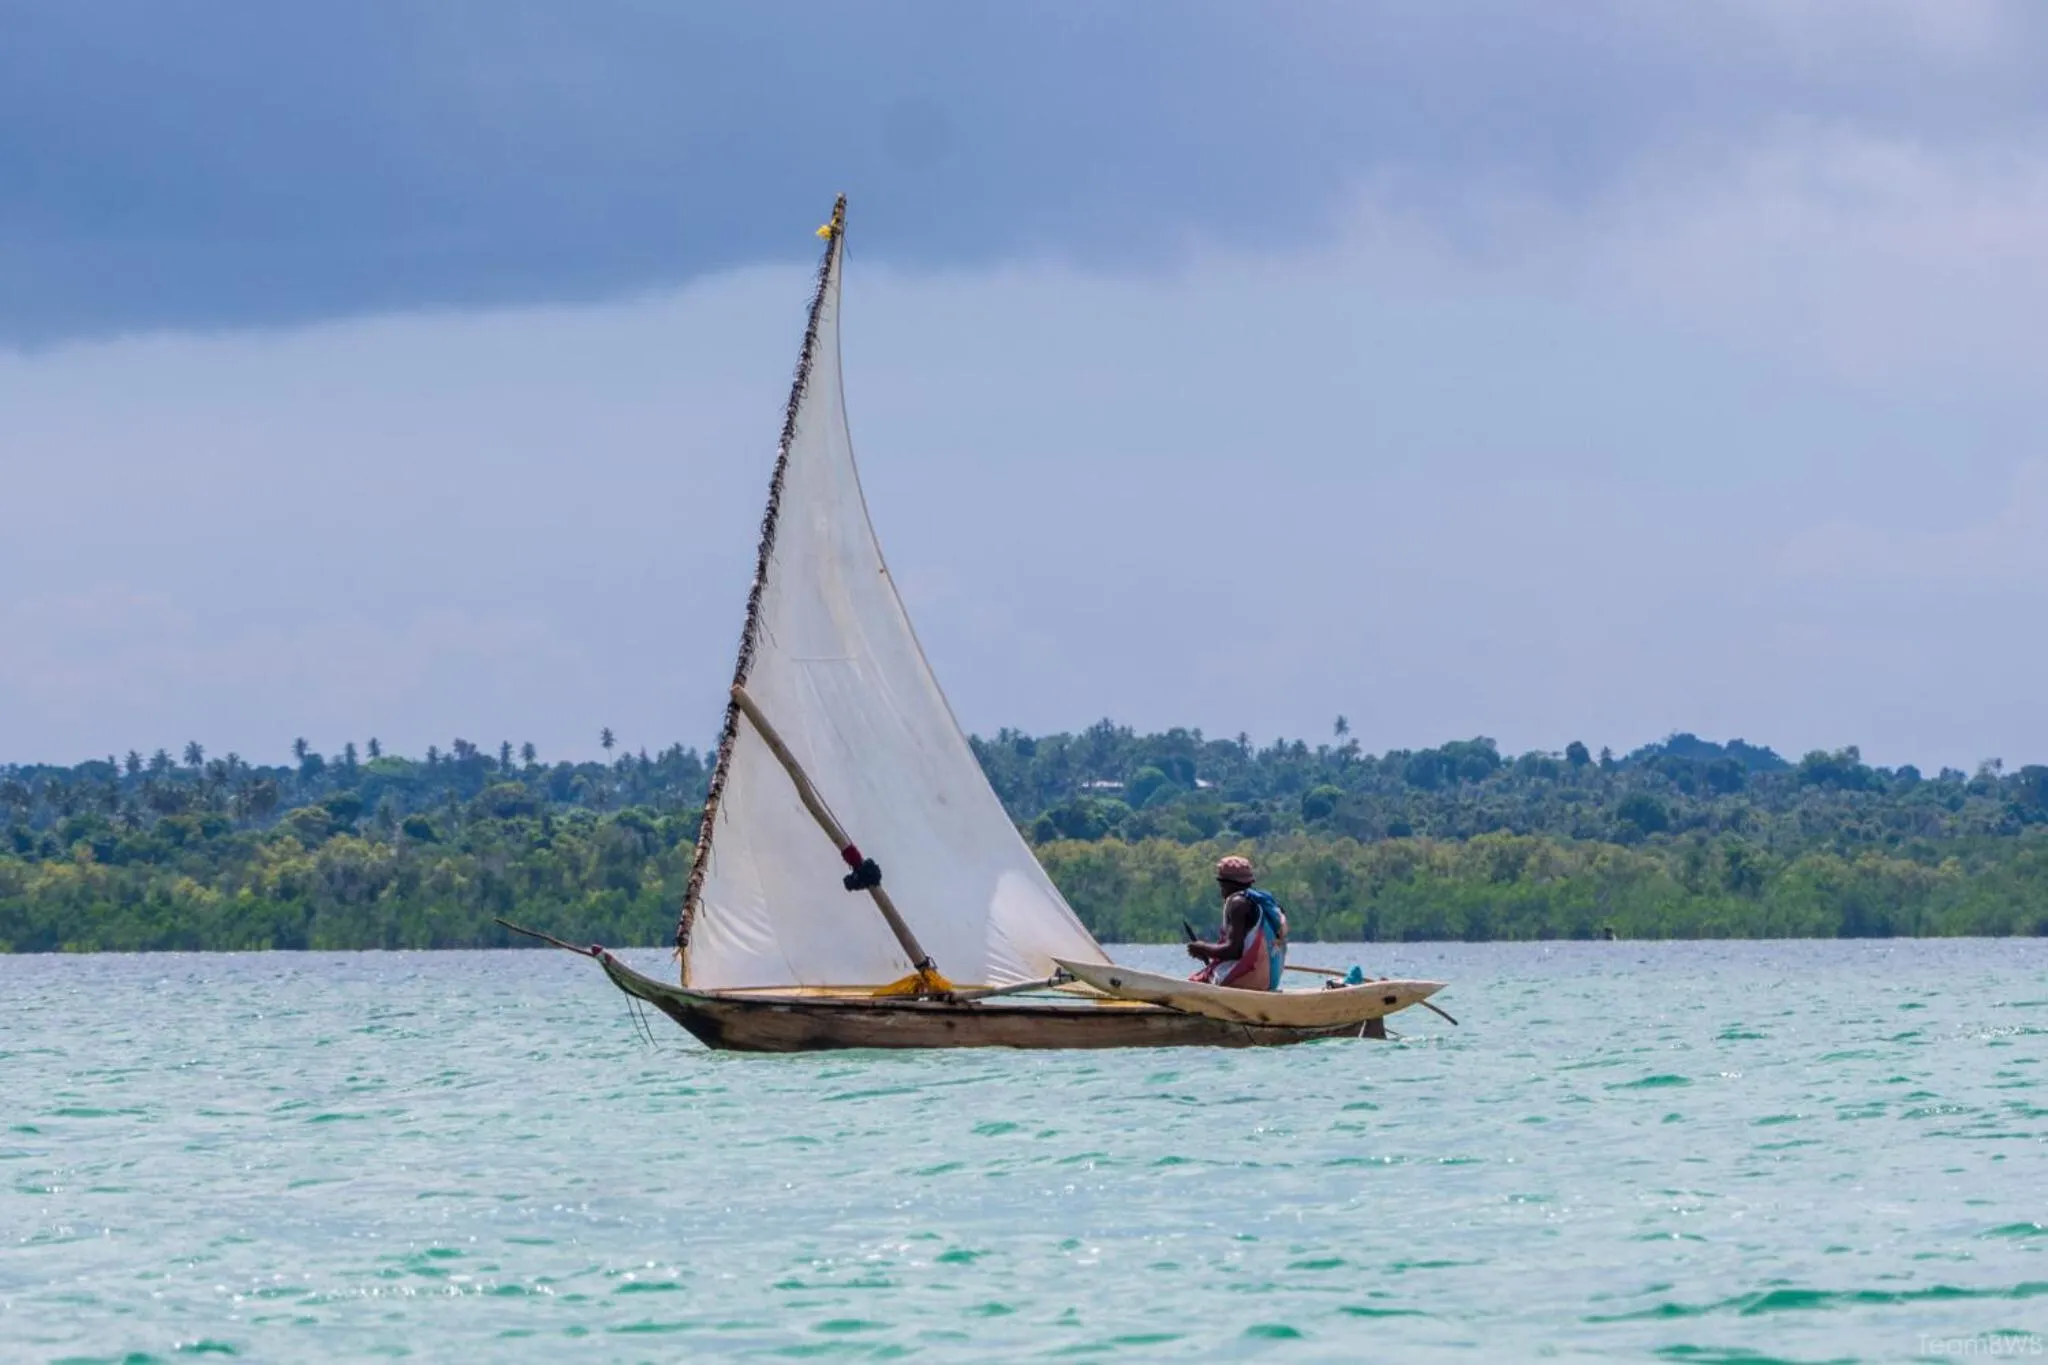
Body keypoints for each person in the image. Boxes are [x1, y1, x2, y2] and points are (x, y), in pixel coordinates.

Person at [1186, 855, 1288, 990]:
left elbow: (1233, 951)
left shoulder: (1237, 903)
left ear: (1224, 883)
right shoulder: (1262, 902)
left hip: (1247, 981)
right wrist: (1208, 952)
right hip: (1269, 982)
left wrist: (1201, 947)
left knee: (1193, 983)